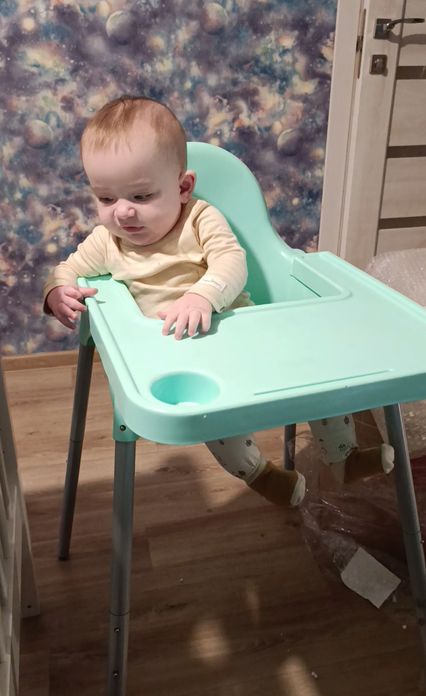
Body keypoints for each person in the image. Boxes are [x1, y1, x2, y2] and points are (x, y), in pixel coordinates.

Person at [44, 95, 394, 508]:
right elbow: (68, 268)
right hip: (177, 353)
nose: (122, 213)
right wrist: (57, 292)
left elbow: (232, 261)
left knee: (318, 376)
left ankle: (343, 456)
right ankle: (259, 474)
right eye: (106, 199)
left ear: (183, 187)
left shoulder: (199, 218)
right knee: (211, 416)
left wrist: (202, 295)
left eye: (140, 196)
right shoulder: (107, 242)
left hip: (238, 330)